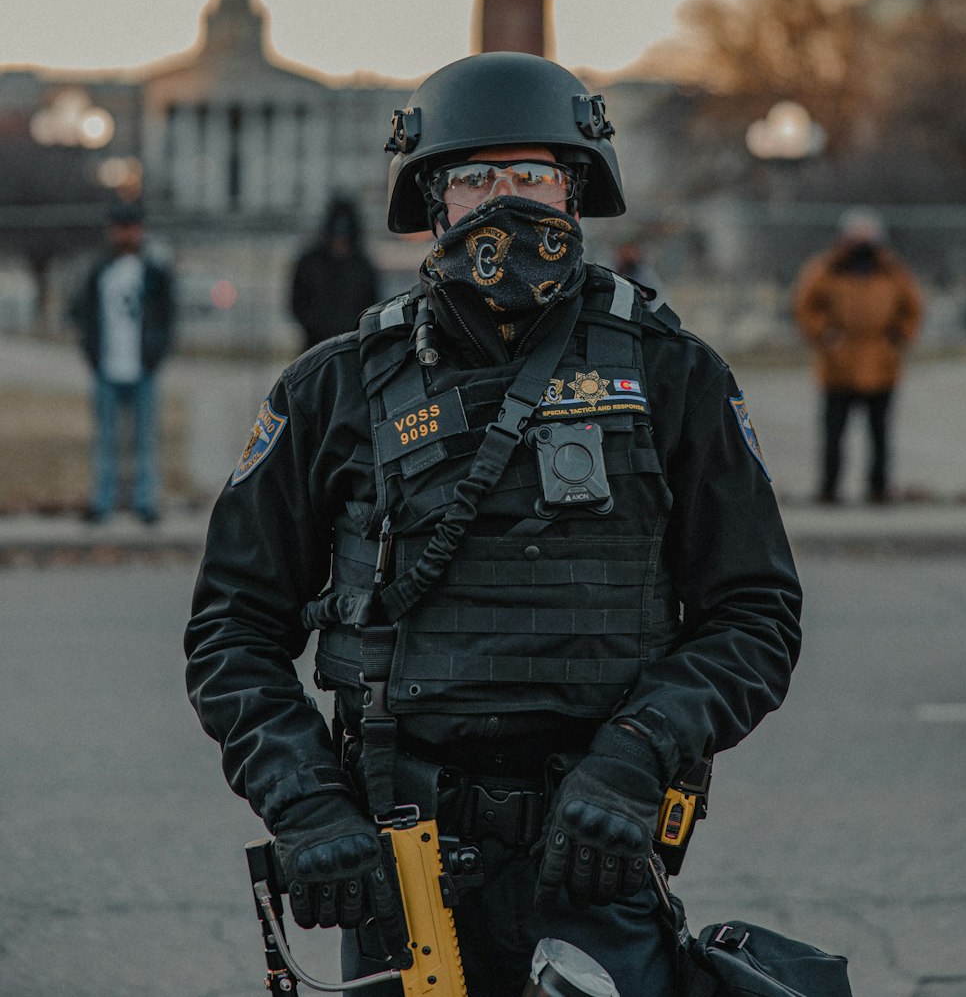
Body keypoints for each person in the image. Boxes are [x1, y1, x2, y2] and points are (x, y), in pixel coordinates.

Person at [185, 52, 803, 996]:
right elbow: (231, 628)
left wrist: (639, 761)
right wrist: (307, 806)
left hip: (596, 848)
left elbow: (755, 615)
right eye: (475, 177)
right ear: (433, 202)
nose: (503, 201)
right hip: (396, 865)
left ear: (575, 190)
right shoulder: (335, 389)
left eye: (531, 175)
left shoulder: (676, 377)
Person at [793, 209, 923, 505]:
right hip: (838, 367)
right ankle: (829, 488)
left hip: (881, 365)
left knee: (880, 434)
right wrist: (824, 333)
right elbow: (805, 305)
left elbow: (913, 308)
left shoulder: (893, 271)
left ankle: (878, 489)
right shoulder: (825, 269)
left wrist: (898, 337)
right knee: (833, 434)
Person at [69, 200, 176, 523]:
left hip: (142, 367)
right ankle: (103, 502)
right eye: (120, 227)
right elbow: (82, 313)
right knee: (106, 439)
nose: (126, 234)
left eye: (131, 227)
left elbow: (167, 316)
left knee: (145, 438)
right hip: (107, 367)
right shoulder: (99, 270)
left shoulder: (154, 271)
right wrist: (91, 353)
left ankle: (145, 502)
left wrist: (155, 354)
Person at [289, 195, 382, 352]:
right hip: (315, 345)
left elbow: (371, 305)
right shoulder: (311, 262)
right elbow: (298, 303)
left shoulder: (362, 266)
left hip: (350, 346)